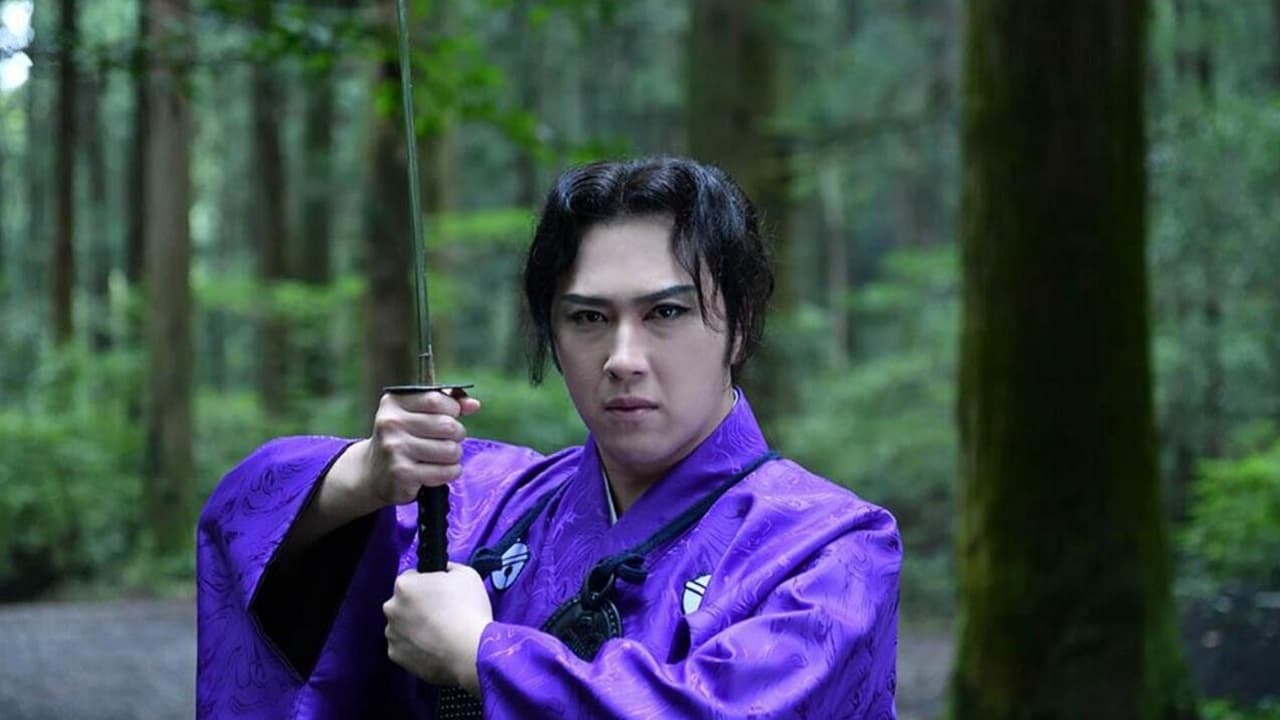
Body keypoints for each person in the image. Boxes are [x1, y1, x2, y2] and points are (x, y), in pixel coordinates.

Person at [197, 156, 901, 718]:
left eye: (665, 312)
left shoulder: (833, 547)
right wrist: (366, 474)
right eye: (588, 318)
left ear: (740, 325)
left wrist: (480, 655)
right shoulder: (494, 501)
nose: (623, 357)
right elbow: (247, 512)